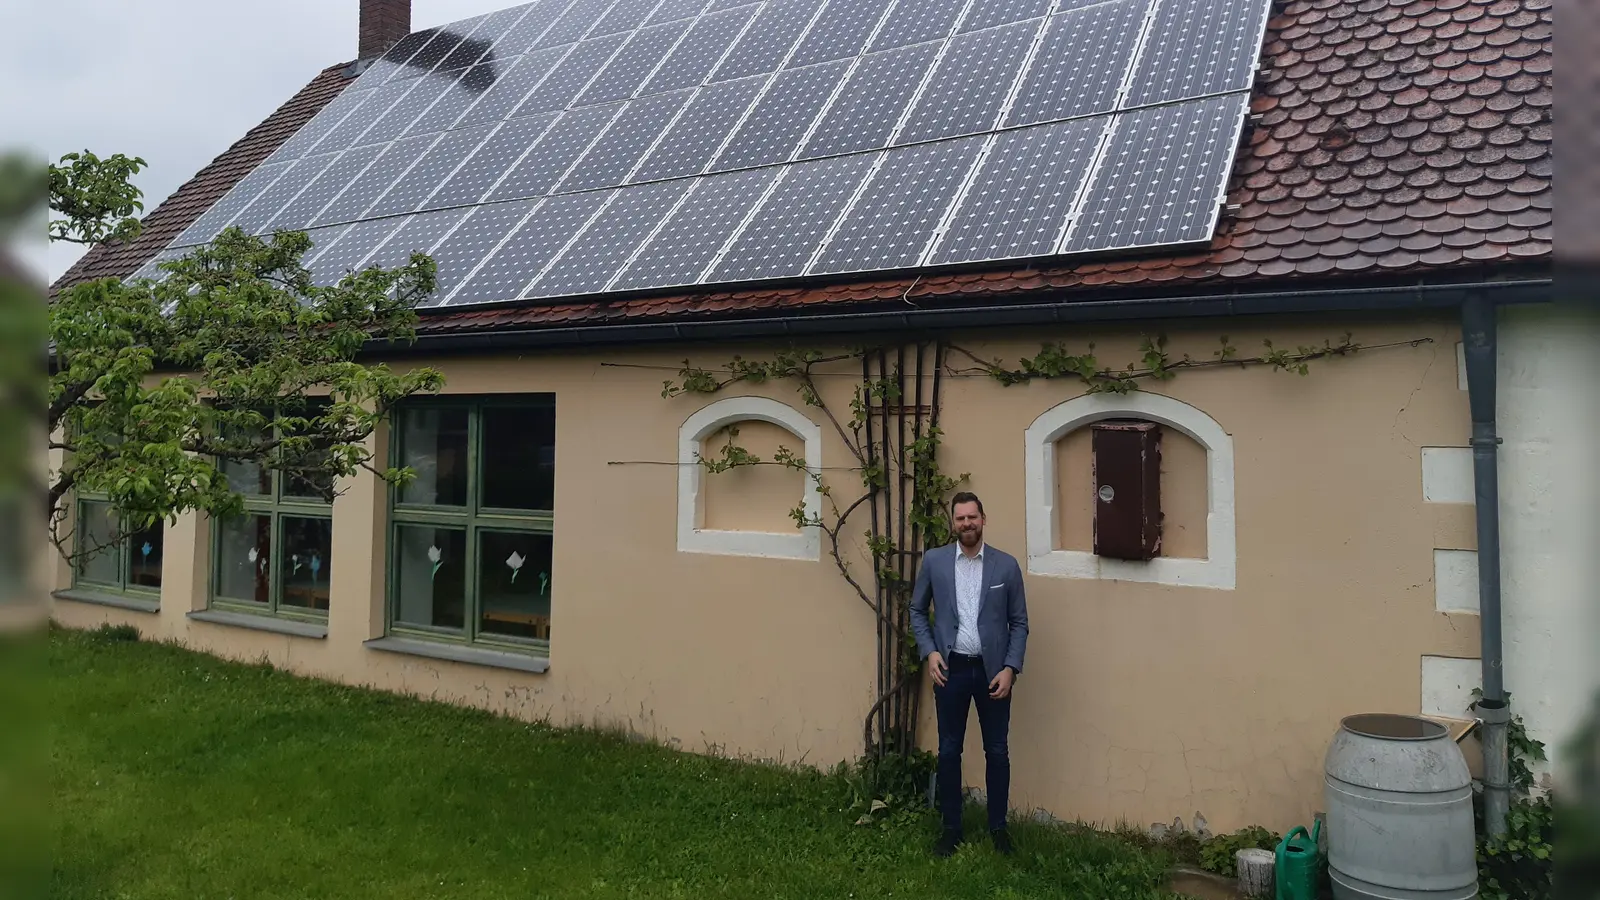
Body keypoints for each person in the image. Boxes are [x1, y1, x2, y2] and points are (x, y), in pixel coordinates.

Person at [909, 491, 1030, 858]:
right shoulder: (935, 562)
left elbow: (1019, 622)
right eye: (960, 518)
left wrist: (1010, 668)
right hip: (951, 670)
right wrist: (930, 652)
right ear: (953, 523)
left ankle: (999, 828)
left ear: (983, 519)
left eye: (972, 517)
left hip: (993, 672)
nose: (967, 524)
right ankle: (951, 829)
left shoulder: (1005, 566)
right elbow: (917, 610)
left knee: (997, 751)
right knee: (949, 750)